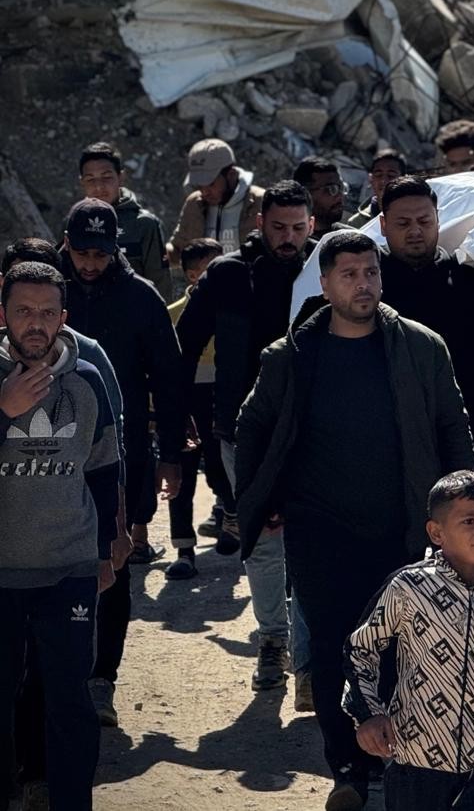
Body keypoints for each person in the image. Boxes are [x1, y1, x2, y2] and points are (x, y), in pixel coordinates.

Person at [235, 230, 474, 811]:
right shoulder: (292, 355)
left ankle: (397, 758)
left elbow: (452, 425)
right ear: (324, 285)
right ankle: (347, 767)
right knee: (334, 646)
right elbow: (253, 426)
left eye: (370, 272)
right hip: (319, 528)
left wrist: (464, 513)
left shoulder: (420, 347)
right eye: (349, 275)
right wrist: (263, 498)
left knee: (401, 648)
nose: (363, 285)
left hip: (402, 526)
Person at [175, 180, 318, 699]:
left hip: (315, 433)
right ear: (260, 223)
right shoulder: (228, 275)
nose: (288, 237)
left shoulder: (326, 269)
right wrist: (175, 416)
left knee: (310, 543)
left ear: (312, 225)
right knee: (262, 542)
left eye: (298, 228)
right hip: (242, 432)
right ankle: (273, 642)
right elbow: (185, 345)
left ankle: (310, 660)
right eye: (279, 227)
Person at [343, 470, 474, 811]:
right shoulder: (409, 588)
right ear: (436, 532)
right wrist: (369, 713)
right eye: (469, 521)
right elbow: (360, 649)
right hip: (416, 763)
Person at [0, 262, 121, 811]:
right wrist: (4, 410)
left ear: (63, 317)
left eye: (48, 313)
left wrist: (106, 550)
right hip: (2, 571)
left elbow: (104, 468)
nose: (36, 323)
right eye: (24, 311)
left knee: (70, 701)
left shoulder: (87, 379)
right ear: (3, 315)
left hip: (68, 567)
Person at [60, 198, 184, 725]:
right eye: (82, 253)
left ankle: (101, 679)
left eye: (100, 254)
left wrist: (171, 455)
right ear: (66, 245)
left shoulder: (141, 298)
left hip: (119, 455)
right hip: (50, 455)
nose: (90, 264)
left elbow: (169, 379)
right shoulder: (45, 294)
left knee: (112, 560)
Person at [377, 176, 474, 431]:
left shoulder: (472, 284)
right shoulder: (368, 289)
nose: (415, 231)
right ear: (383, 225)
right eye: (403, 223)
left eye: (424, 221)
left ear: (438, 220)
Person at [162, 238, 229, 581]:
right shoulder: (171, 314)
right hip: (184, 400)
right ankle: (184, 549)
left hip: (223, 399)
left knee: (223, 468)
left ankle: (231, 522)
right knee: (182, 476)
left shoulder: (235, 310)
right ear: (191, 276)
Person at [77, 141, 170, 297]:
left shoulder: (144, 224)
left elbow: (161, 283)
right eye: (90, 179)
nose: (99, 187)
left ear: (121, 177)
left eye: (107, 177)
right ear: (82, 182)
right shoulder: (74, 223)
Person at [169, 138, 265, 257]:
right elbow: (176, 249)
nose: (204, 192)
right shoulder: (195, 203)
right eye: (199, 185)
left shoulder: (260, 203)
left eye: (210, 184)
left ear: (231, 174)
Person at [346, 149, 408, 228]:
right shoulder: (357, 223)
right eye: (378, 175)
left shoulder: (416, 216)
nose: (383, 181)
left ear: (404, 179)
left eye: (391, 175)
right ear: (371, 179)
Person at [292, 156, 348, 237]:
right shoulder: (286, 238)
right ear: (305, 194)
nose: (340, 196)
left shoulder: (349, 239)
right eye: (331, 189)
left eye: (342, 188)